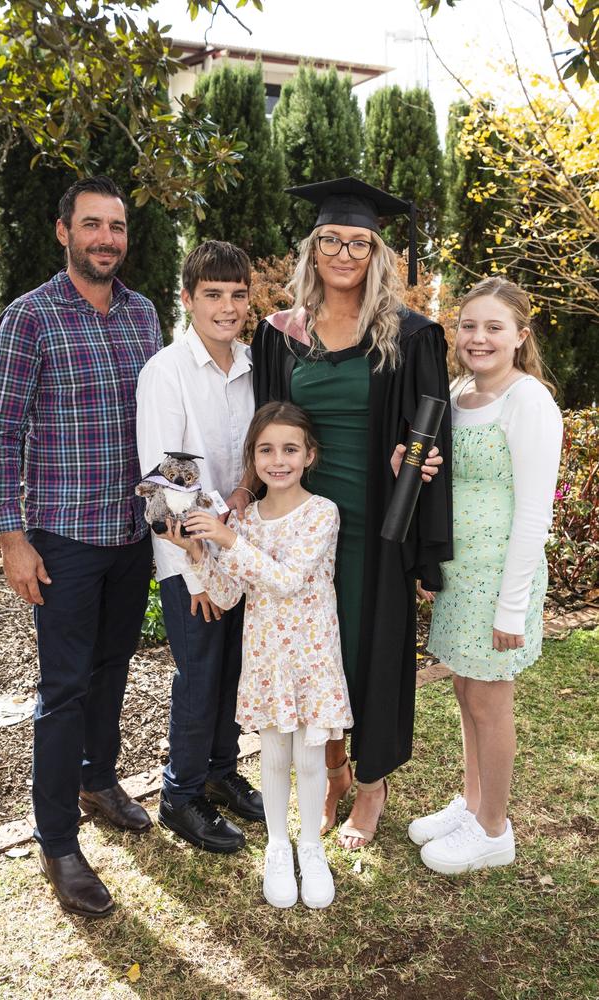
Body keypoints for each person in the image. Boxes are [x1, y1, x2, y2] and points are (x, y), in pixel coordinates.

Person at [248, 177, 452, 849]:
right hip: (303, 521)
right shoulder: (281, 336)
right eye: (330, 239)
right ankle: (332, 770)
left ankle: (372, 783)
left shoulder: (411, 335)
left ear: (376, 252)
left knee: (369, 649)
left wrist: (418, 479)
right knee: (316, 653)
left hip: (373, 521)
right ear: (313, 249)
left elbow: (432, 435)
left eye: (357, 242)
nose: (343, 252)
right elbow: (267, 427)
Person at [0, 175, 162, 918]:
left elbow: (163, 418)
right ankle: (57, 840)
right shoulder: (29, 318)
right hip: (62, 536)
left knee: (114, 666)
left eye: (116, 228)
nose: (106, 240)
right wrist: (11, 536)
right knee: (63, 689)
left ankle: (98, 778)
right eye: (92, 226)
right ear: (65, 233)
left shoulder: (145, 314)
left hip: (131, 532)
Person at [166, 402, 353, 908]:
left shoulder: (321, 513)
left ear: (309, 455)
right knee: (273, 756)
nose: (278, 459)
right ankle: (277, 846)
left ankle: (310, 848)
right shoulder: (245, 522)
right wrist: (198, 552)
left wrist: (228, 536)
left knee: (310, 760)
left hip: (312, 658)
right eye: (266, 449)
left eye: (290, 449)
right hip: (267, 659)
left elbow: (288, 579)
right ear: (253, 456)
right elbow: (227, 594)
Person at [409, 277, 563, 874]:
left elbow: (533, 512)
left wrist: (511, 605)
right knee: (465, 687)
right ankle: (472, 805)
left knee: (491, 697)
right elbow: (446, 479)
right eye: (469, 325)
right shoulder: (459, 392)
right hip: (460, 571)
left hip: (500, 575)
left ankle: (494, 829)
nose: (478, 337)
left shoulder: (530, 402)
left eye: (494, 327)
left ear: (521, 336)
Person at [136, 241, 265, 855]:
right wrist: (198, 574)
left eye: (238, 294)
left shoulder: (250, 365)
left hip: (237, 548)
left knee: (232, 671)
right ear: (187, 300)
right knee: (199, 674)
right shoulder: (168, 371)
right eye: (213, 294)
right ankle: (180, 795)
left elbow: (249, 459)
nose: (227, 306)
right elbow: (166, 483)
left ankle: (220, 770)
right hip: (188, 558)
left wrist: (242, 491)